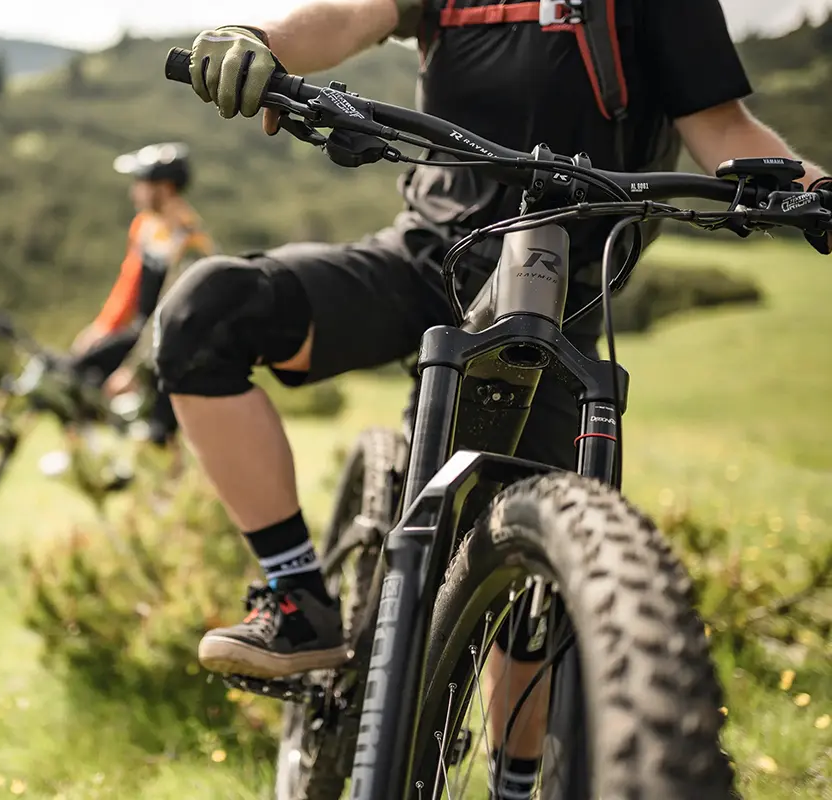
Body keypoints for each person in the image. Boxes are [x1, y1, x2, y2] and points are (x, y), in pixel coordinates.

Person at [152, 1, 829, 794]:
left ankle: (512, 781)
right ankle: (297, 594)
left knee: (530, 592)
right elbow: (351, 16)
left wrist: (816, 190)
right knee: (206, 315)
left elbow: (722, 128)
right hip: (425, 258)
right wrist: (260, 42)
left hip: (563, 297)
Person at [69, 141, 216, 448]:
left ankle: (169, 466)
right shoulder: (145, 226)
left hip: (175, 346)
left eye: (141, 183)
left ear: (164, 188)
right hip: (141, 334)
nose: (134, 192)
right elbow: (129, 284)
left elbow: (170, 313)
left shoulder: (191, 244)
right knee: (77, 370)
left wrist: (133, 370)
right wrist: (102, 327)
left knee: (158, 436)